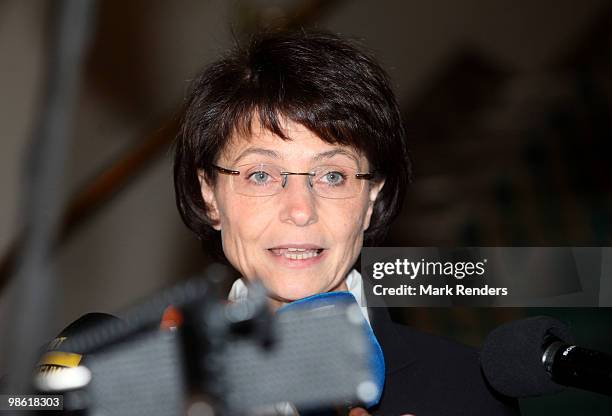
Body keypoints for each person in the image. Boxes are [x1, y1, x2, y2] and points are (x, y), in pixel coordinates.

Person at [174, 29, 519, 416]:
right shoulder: (151, 391)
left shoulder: (467, 387)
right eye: (261, 174)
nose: (301, 210)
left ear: (371, 197)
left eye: (332, 175)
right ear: (210, 194)